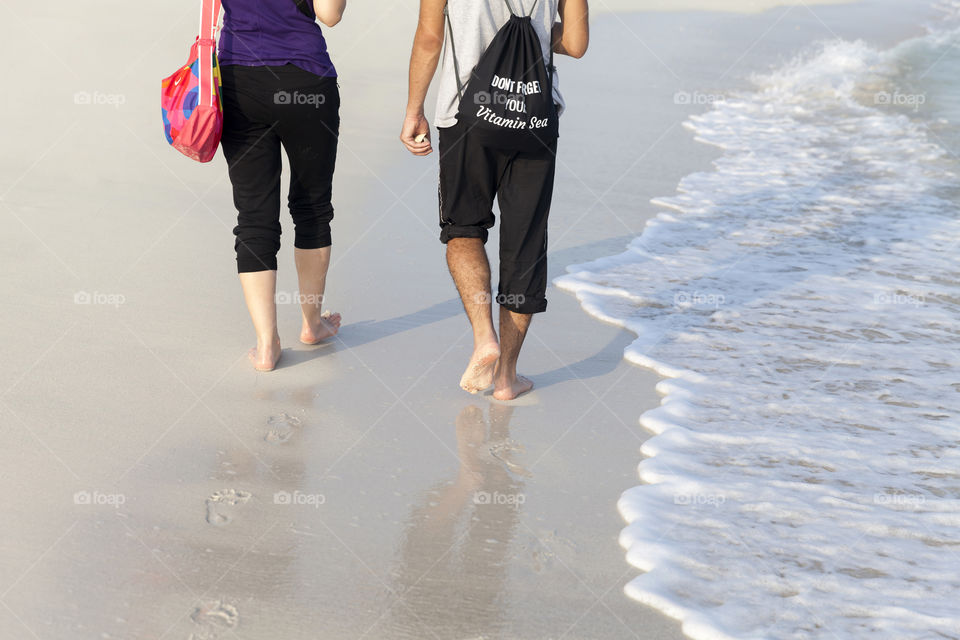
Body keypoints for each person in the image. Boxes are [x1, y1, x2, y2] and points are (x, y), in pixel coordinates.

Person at [401, 0, 590, 400]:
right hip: (534, 120)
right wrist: (535, 34)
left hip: (467, 116)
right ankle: (506, 376)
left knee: (463, 228)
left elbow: (431, 38)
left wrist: (414, 110)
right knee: (525, 247)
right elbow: (575, 42)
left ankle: (484, 336)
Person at [219, 0, 347, 372]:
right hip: (305, 80)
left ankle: (266, 343)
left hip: (239, 79)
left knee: (254, 216)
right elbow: (331, 14)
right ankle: (312, 323)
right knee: (311, 208)